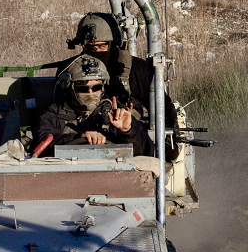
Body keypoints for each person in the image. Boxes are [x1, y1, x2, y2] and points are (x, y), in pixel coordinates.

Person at [44, 11, 177, 135]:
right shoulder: (69, 69)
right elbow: (57, 112)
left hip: (130, 137)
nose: (95, 52)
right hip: (81, 137)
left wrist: (168, 140)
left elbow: (162, 107)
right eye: (89, 47)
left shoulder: (137, 68)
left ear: (112, 44)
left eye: (102, 46)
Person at [35, 56, 152, 156]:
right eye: (83, 89)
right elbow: (41, 144)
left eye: (96, 87)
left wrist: (128, 131)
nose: (90, 93)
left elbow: (146, 152)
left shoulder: (117, 113)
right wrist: (78, 138)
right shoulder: (55, 114)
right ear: (70, 89)